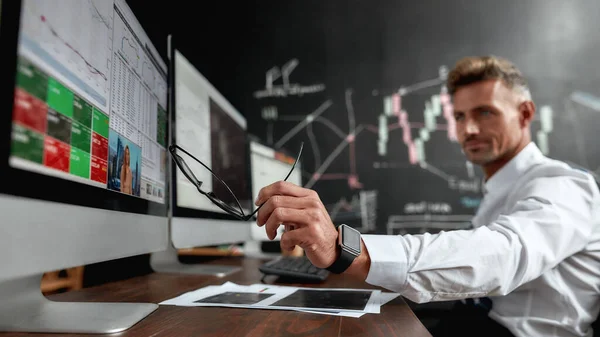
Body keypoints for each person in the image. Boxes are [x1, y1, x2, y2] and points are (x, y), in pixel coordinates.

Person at [254, 56, 600, 337]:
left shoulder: (563, 185)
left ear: (525, 114)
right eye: (460, 116)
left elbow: (502, 256)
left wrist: (349, 252)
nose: (469, 130)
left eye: (485, 112)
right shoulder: (503, 187)